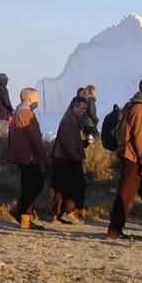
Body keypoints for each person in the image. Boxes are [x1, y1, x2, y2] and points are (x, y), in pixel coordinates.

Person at [106, 77, 142, 241]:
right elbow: (140, 137)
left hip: (131, 156)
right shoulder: (141, 109)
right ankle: (114, 231)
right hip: (135, 159)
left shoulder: (132, 104)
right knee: (126, 195)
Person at [3, 86, 48, 228]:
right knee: (35, 184)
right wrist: (45, 156)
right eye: (37, 98)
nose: (38, 100)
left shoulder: (17, 113)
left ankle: (24, 217)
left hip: (21, 155)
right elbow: (35, 139)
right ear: (29, 99)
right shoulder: (27, 114)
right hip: (29, 156)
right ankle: (22, 213)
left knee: (28, 185)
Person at [48, 93, 95, 223]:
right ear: (74, 107)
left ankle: (59, 213)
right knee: (73, 186)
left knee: (62, 186)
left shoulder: (72, 118)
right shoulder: (70, 120)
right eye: (81, 108)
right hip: (67, 158)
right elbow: (67, 142)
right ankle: (67, 212)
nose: (83, 111)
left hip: (65, 157)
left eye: (85, 109)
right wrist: (76, 157)